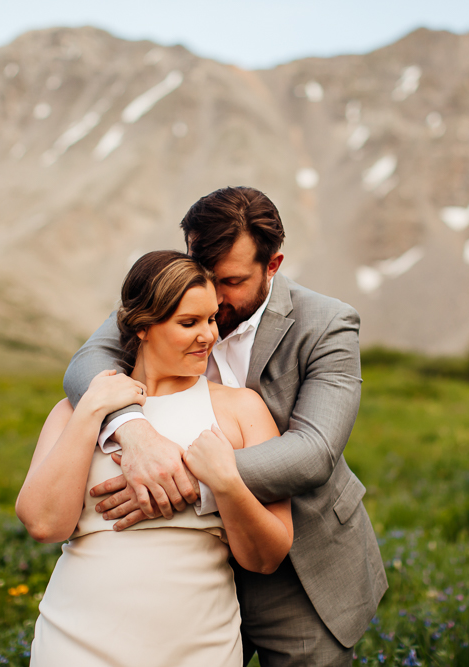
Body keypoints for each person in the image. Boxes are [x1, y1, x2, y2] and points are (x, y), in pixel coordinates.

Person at [64, 186, 387, 666]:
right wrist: (135, 431)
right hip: (187, 573)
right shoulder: (175, 298)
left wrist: (180, 479)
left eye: (231, 281)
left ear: (272, 265)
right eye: (204, 272)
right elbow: (85, 364)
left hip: (298, 567)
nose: (213, 296)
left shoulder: (327, 324)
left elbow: (314, 452)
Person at [17, 250, 293, 666]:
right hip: (77, 641)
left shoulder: (242, 410)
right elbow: (44, 524)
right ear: (142, 326)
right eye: (189, 323)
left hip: (198, 645)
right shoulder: (76, 410)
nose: (209, 336)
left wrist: (225, 483)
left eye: (212, 318)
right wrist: (92, 409)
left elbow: (266, 557)